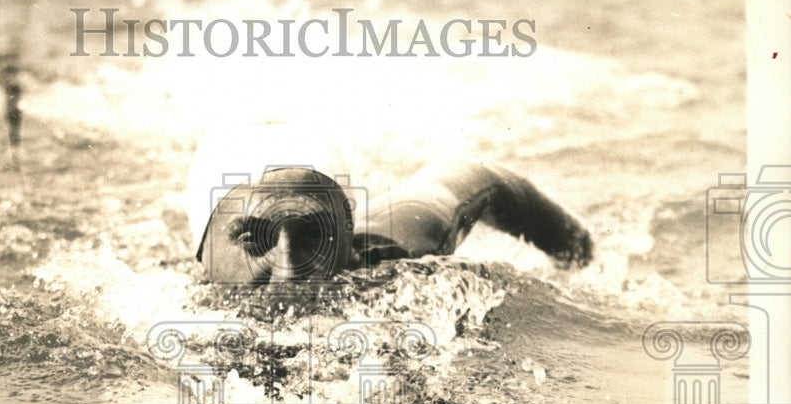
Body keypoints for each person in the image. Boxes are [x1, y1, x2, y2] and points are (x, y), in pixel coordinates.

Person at [186, 121, 592, 287]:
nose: (290, 270)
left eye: (315, 235)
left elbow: (477, 173)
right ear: (202, 252)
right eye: (255, 239)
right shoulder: (168, 313)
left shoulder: (399, 257)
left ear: (347, 235)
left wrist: (579, 259)